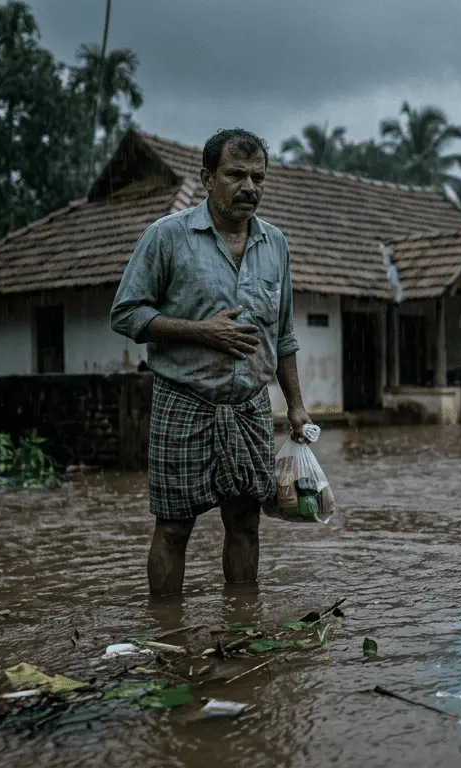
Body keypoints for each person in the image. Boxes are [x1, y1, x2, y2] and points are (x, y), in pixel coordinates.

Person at [110, 127, 313, 597]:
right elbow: (126, 313)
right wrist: (202, 331)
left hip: (250, 407)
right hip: (184, 401)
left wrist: (297, 406)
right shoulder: (167, 237)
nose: (249, 187)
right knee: (175, 526)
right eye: (236, 175)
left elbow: (282, 334)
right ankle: (166, 631)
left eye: (258, 177)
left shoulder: (276, 244)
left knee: (245, 523)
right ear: (207, 177)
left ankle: (241, 625)